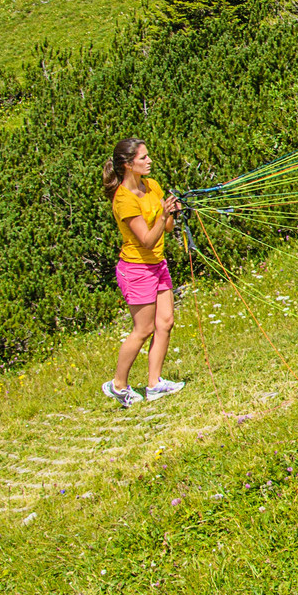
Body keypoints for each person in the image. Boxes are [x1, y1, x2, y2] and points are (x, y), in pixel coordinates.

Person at [101, 138, 186, 408]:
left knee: (165, 322)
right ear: (128, 165)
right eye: (143, 158)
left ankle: (155, 384)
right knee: (143, 329)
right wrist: (162, 216)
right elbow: (146, 240)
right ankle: (117, 385)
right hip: (136, 268)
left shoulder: (152, 186)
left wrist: (172, 212)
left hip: (157, 263)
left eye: (148, 156)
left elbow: (168, 228)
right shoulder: (123, 201)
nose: (149, 161)